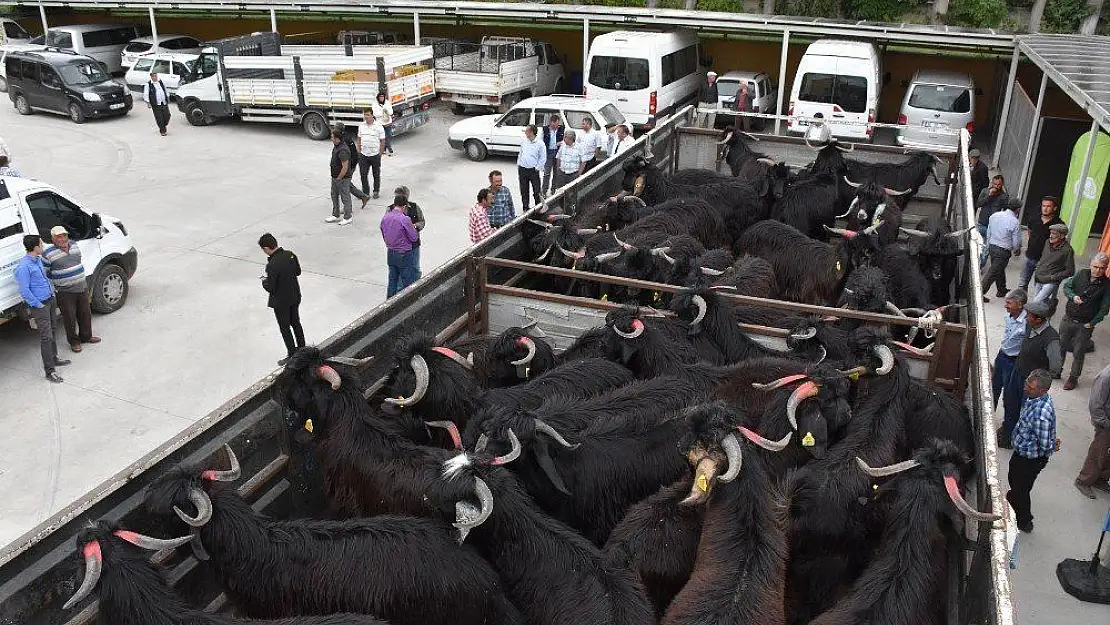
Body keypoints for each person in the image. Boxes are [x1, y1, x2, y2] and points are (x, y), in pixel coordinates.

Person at [999, 299, 1062, 449]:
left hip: (1031, 382)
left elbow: (1055, 366)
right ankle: (1007, 432)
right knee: (1009, 402)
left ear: (1038, 320)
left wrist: (1039, 379)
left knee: (1025, 411)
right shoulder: (1029, 326)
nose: (1026, 318)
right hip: (1017, 371)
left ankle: (1015, 439)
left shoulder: (1051, 339)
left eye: (1029, 316)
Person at [1006, 369, 1058, 533]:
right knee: (1015, 480)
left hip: (1030, 460)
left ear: (1043, 390)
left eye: (1031, 387)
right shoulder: (1034, 398)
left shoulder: (1041, 414)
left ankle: (1024, 521)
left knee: (1021, 489)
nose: (1026, 388)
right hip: (1022, 452)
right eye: (1027, 383)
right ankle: (1014, 497)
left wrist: (1052, 445)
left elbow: (1045, 445)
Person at [15, 234, 70, 383]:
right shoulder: (24, 267)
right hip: (40, 306)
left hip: (50, 300)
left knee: (52, 330)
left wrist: (51, 293)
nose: (43, 246)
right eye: (41, 244)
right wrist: (38, 304)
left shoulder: (37, 260)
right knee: (46, 337)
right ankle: (49, 371)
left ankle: (54, 358)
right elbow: (24, 291)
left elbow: (44, 279)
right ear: (35, 247)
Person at [42, 226, 100, 353]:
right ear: (53, 239)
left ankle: (86, 336)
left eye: (64, 235)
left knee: (85, 313)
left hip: (82, 287)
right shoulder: (47, 254)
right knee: (69, 317)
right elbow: (45, 273)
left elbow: (77, 261)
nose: (62, 239)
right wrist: (59, 281)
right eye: (58, 236)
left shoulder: (74, 245)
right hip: (65, 292)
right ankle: (74, 342)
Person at [1058, 253, 1110, 390]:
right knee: (1060, 346)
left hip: (1084, 324)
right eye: (1096, 266)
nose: (1098, 270)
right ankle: (1056, 370)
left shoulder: (1107, 285)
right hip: (1068, 318)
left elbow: (1104, 308)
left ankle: (1073, 378)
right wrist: (1072, 296)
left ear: (1106, 269)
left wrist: (1092, 323)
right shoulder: (1081, 274)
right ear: (1091, 264)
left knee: (1078, 352)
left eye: (1102, 268)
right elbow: (1067, 287)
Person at [258, 233, 304, 365]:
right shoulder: (290, 254)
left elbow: (271, 287)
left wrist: (264, 282)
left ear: (266, 248)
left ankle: (292, 354)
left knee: (285, 327)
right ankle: (302, 348)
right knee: (296, 323)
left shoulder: (272, 265)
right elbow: (298, 272)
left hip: (281, 302)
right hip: (295, 296)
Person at [1074, 361, 1110, 498]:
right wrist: (1105, 423)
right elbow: (1095, 405)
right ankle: (1083, 480)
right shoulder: (1106, 377)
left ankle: (1100, 479)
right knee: (1098, 452)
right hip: (1105, 423)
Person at [1019, 196, 1064, 291]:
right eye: (1043, 206)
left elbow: (1059, 243)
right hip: (1029, 257)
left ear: (1054, 208)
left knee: (1039, 287)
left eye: (1048, 206)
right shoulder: (1034, 218)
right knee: (1022, 284)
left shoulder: (1058, 224)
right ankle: (1019, 304)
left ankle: (1036, 305)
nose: (1045, 208)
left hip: (1044, 261)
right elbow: (1030, 232)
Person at [992, 288, 1027, 410]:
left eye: (1009, 303)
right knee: (993, 389)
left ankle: (1008, 426)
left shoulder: (1027, 323)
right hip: (1002, 355)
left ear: (1020, 305)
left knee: (1009, 395)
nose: (1005, 306)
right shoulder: (1008, 315)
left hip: (1013, 362)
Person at [981, 197, 1023, 301]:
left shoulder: (995, 215)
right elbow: (1016, 241)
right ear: (1017, 209)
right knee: (993, 272)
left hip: (992, 246)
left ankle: (1001, 289)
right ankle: (979, 294)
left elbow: (989, 232)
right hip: (1003, 251)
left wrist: (988, 244)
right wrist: (1017, 249)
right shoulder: (1014, 222)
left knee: (998, 268)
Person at [381, 198, 419, 297]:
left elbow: (383, 232)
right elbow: (414, 237)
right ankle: (407, 303)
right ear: (404, 207)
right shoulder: (404, 219)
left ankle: (389, 303)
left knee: (392, 280)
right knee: (407, 281)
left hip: (391, 252)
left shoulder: (386, 217)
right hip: (404, 254)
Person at [1028, 223, 1074, 305]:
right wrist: (1038, 266)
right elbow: (1043, 257)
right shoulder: (1047, 242)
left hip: (1050, 282)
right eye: (1051, 233)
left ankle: (1028, 315)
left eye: (1054, 234)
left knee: (1035, 303)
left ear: (1062, 236)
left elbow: (1070, 271)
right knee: (1042, 303)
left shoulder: (1067, 250)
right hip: (1039, 278)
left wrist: (1053, 277)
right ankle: (1043, 316)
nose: (1051, 236)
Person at [976, 175, 1009, 264]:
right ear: (992, 183)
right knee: (978, 244)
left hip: (993, 226)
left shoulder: (1004, 196)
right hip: (982, 222)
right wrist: (989, 196)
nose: (996, 187)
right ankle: (976, 261)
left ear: (1002, 185)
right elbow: (978, 204)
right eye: (995, 184)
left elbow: (1006, 211)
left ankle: (980, 264)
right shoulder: (985, 191)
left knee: (986, 248)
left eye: (999, 185)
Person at [392, 185, 425, 276]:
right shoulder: (390, 209)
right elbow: (385, 226)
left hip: (413, 245)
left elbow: (422, 221)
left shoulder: (415, 207)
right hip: (397, 246)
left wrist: (415, 226)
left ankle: (417, 286)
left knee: (415, 267)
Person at [326, 129, 354, 225]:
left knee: (345, 197)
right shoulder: (336, 146)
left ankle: (348, 217)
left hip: (342, 178)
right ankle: (335, 214)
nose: (331, 139)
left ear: (337, 139)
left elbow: (345, 166)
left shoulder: (343, 150)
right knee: (334, 195)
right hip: (335, 177)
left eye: (332, 137)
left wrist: (339, 178)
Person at [357, 109, 386, 199]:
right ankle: (365, 192)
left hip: (375, 155)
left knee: (376, 174)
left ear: (372, 115)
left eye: (368, 115)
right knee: (363, 174)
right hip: (363, 155)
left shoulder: (379, 126)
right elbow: (359, 138)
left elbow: (382, 141)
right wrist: (359, 150)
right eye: (365, 114)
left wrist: (380, 154)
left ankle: (376, 191)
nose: (366, 116)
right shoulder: (361, 126)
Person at [517, 125, 546, 212]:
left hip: (533, 170)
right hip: (522, 169)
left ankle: (538, 207)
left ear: (531, 132)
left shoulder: (540, 143)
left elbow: (543, 158)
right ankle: (525, 207)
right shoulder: (524, 141)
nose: (525, 133)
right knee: (524, 190)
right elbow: (521, 153)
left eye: (526, 131)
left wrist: (537, 168)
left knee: (537, 190)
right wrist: (519, 164)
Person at [541, 115, 564, 196]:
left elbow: (565, 140)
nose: (557, 125)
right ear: (551, 122)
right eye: (556, 124)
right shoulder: (545, 129)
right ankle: (544, 191)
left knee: (556, 173)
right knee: (547, 173)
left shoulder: (561, 129)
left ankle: (553, 190)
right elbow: (541, 142)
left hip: (558, 152)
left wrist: (561, 143)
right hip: (548, 153)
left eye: (558, 124)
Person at [145, 71, 171, 136]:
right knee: (159, 118)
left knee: (167, 115)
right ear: (151, 77)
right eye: (154, 76)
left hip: (164, 102)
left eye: (156, 76)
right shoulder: (148, 84)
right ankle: (163, 130)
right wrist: (148, 103)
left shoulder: (160, 82)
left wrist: (167, 97)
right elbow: (146, 94)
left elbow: (165, 89)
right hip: (156, 104)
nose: (155, 77)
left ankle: (163, 125)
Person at [372, 92, 395, 156]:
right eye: (380, 97)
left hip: (388, 123)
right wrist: (383, 112)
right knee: (383, 137)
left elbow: (391, 112)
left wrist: (386, 112)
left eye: (383, 96)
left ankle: (384, 149)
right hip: (380, 124)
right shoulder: (375, 104)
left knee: (388, 136)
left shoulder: (387, 102)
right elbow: (375, 114)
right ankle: (389, 149)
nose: (382, 98)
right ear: (378, 97)